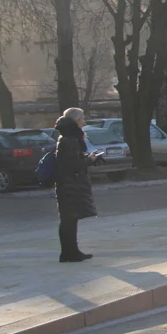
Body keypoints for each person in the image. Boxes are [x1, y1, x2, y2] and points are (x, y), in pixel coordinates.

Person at [53, 107, 98, 262]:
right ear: (75, 121)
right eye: (82, 119)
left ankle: (71, 251)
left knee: (70, 219)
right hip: (70, 184)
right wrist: (89, 160)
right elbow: (74, 165)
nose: (84, 122)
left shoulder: (67, 138)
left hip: (68, 183)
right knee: (69, 219)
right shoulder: (70, 139)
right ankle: (68, 253)